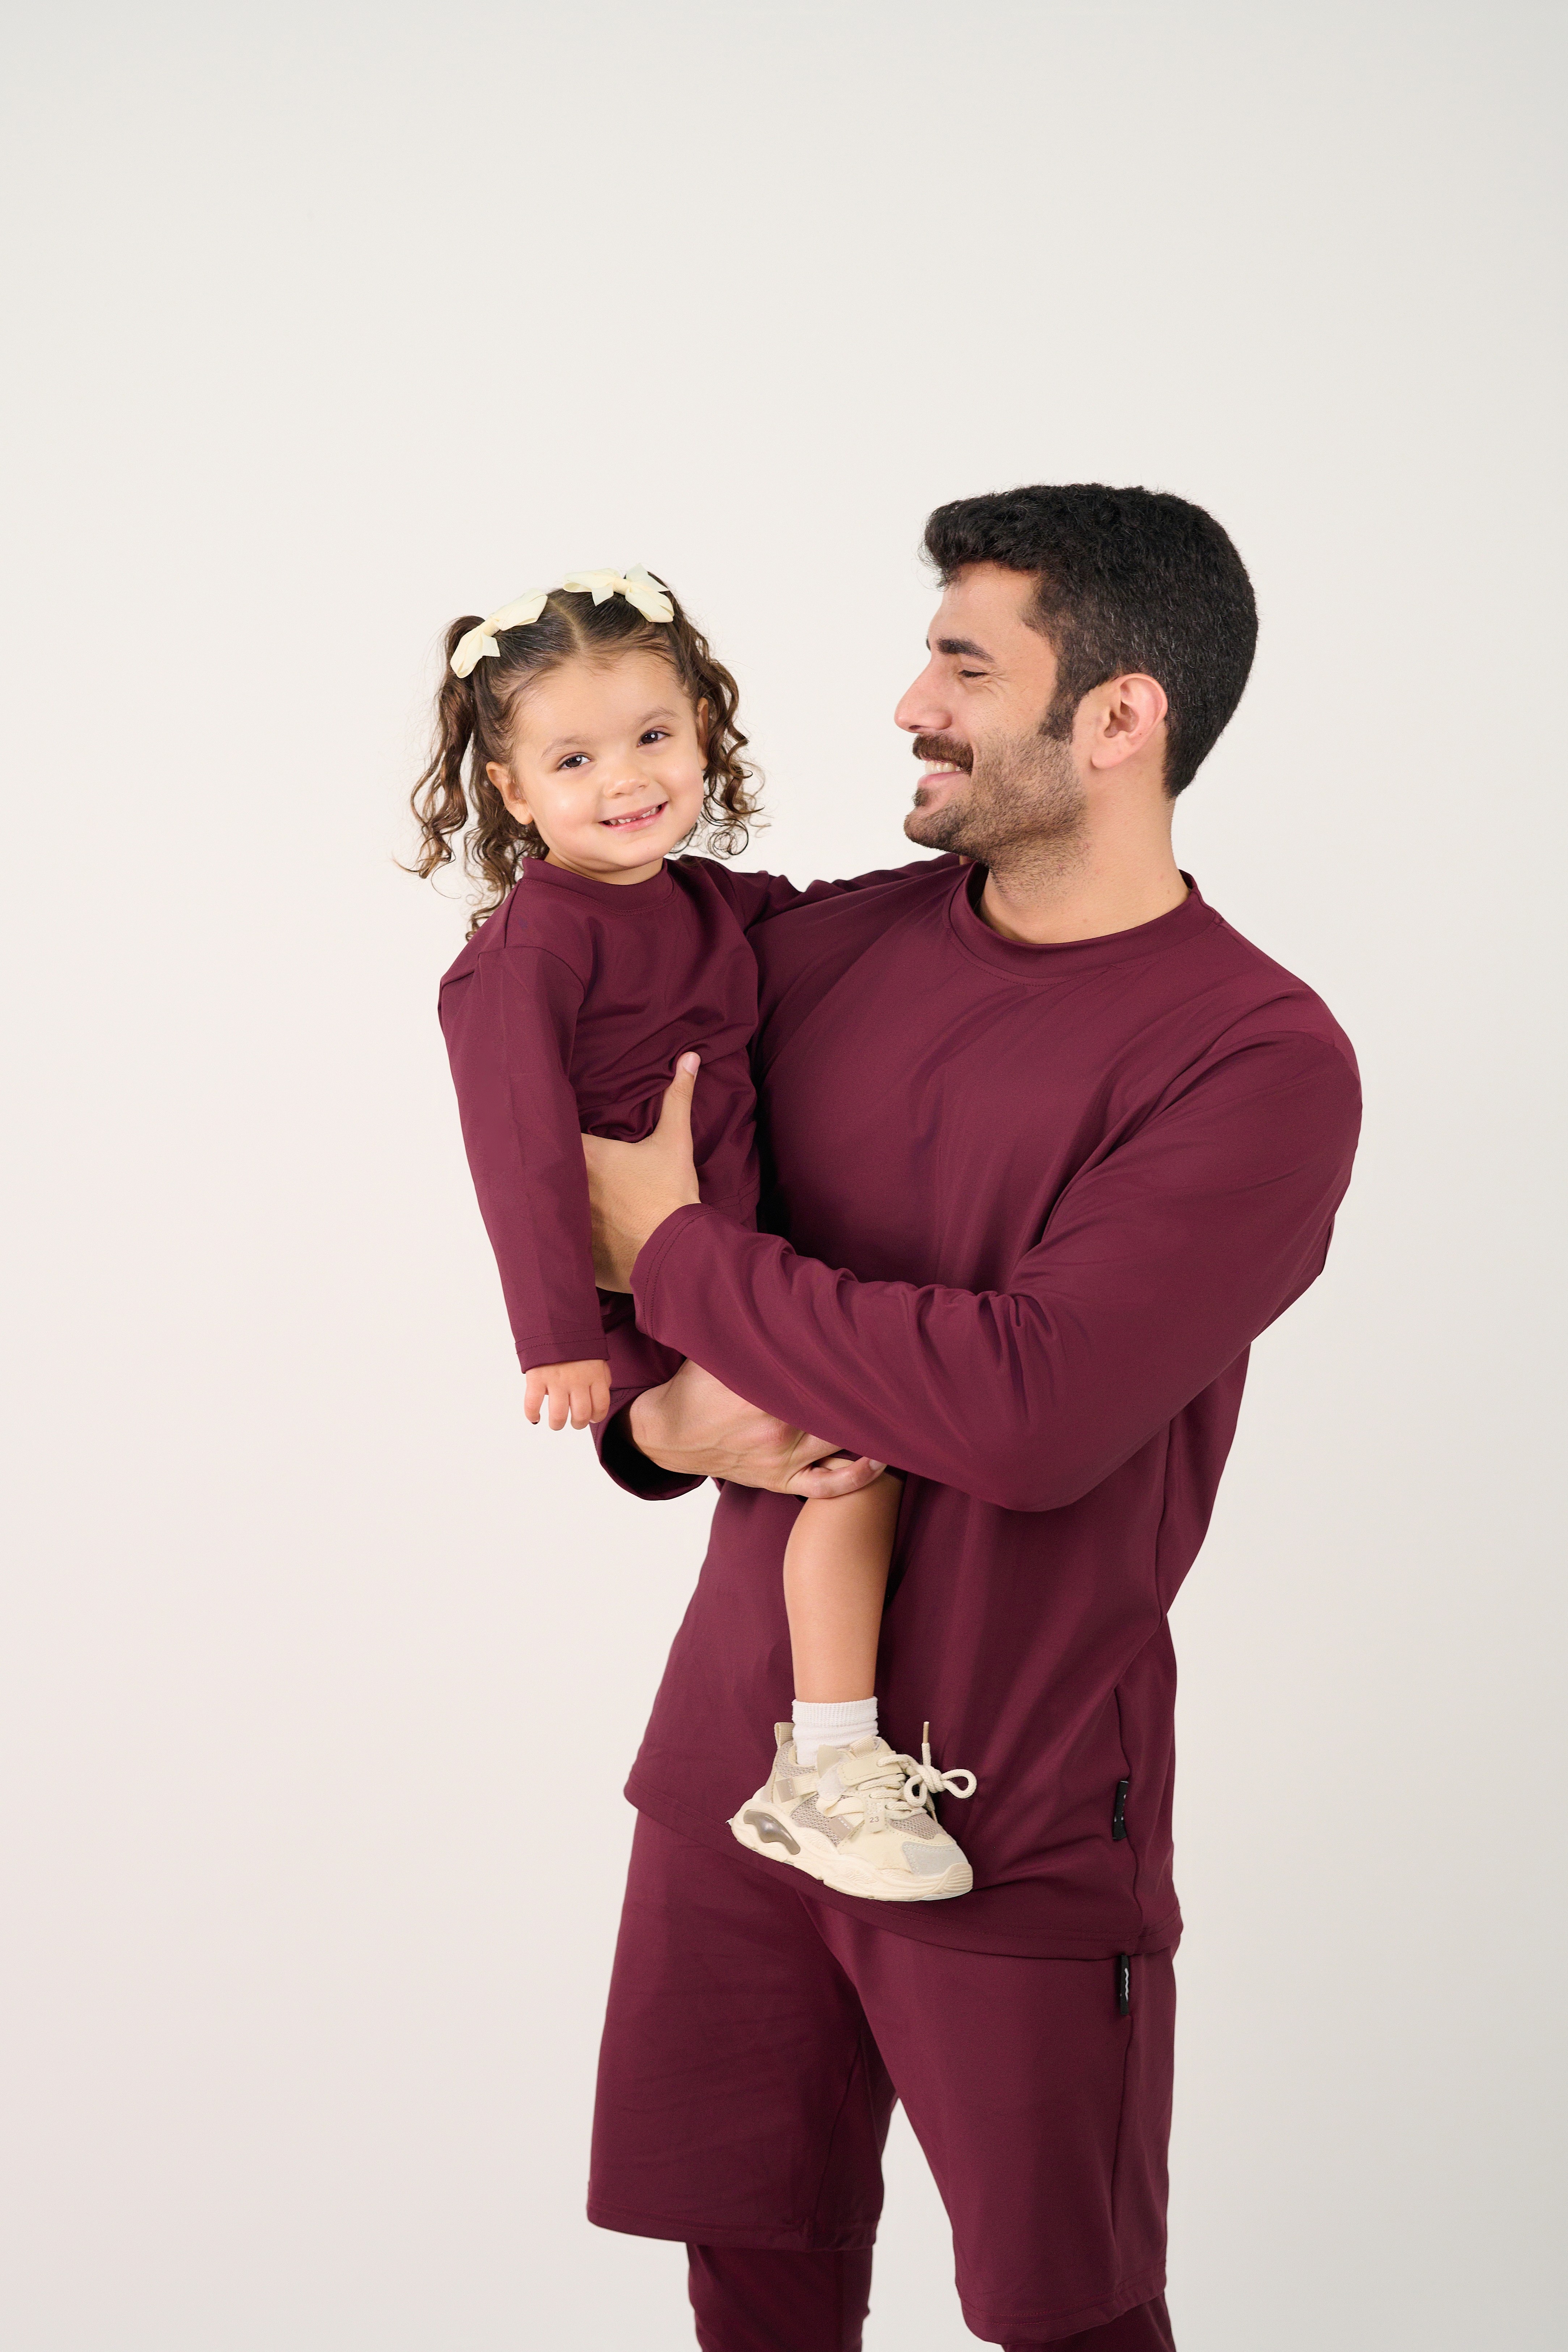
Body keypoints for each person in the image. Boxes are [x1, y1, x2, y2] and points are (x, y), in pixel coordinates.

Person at [578, 486, 1362, 2352]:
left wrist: (682, 1258)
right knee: (750, 2272)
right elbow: (582, 1132)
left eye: (965, 665)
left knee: (1065, 2315)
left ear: (1120, 715)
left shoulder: (1255, 1060)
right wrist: (658, 1426)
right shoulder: (821, 953)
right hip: (733, 1765)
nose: (910, 704)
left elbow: (1025, 1411)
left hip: (1006, 1803)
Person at [413, 564, 977, 1904]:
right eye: (574, 758)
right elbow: (518, 1152)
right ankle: (828, 1763)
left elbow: (841, 914)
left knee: (848, 1458)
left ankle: (823, 1749)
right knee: (855, 1454)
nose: (626, 778)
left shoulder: (707, 904)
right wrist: (559, 1341)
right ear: (512, 791)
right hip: (639, 1297)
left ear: (705, 734)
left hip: (726, 1261)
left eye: (654, 735)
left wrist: (986, 863)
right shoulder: (533, 950)